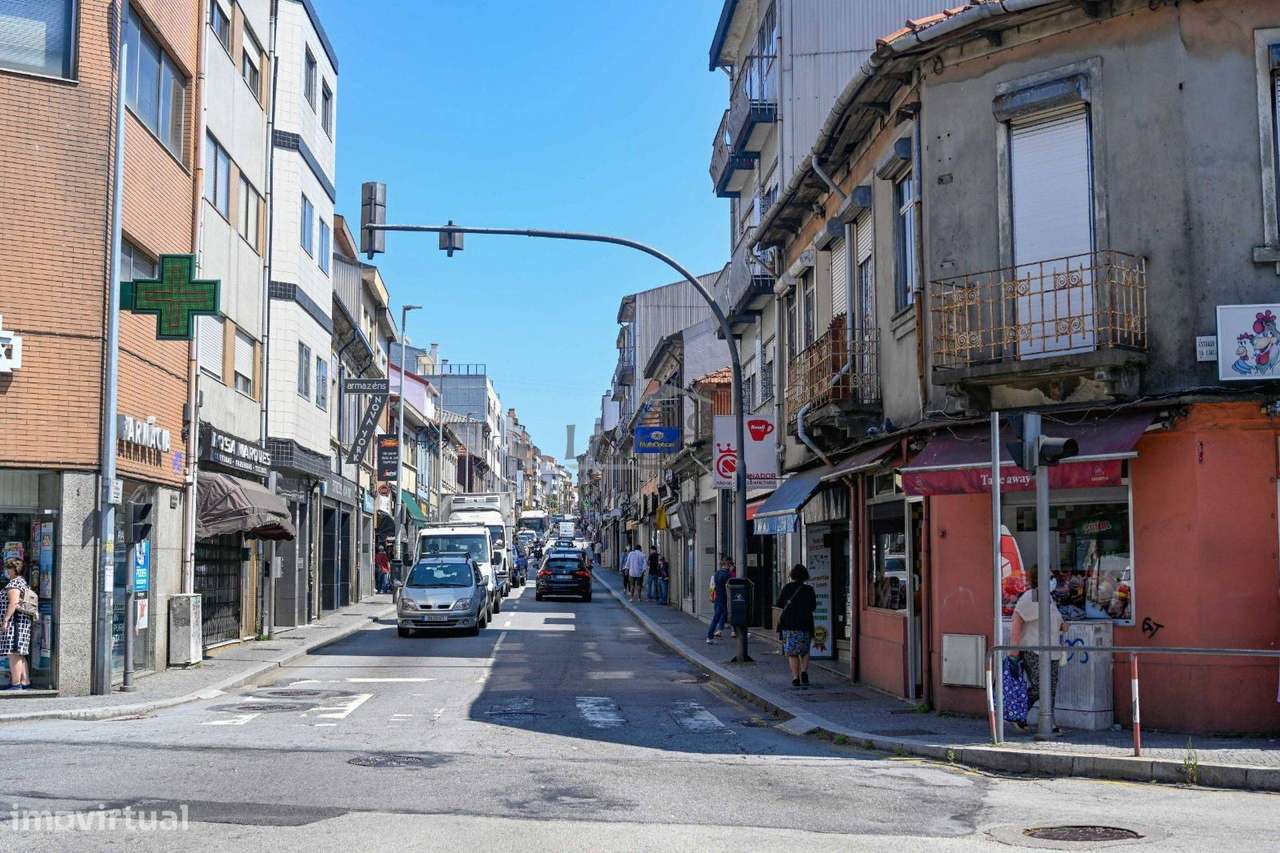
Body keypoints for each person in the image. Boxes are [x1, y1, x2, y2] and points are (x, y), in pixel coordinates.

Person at [1009, 564, 1067, 734]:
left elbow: (1055, 620)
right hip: (1034, 650)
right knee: (1040, 686)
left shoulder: (1048, 597)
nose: (1052, 580)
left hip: (1052, 650)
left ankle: (1046, 721)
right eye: (1049, 577)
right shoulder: (1032, 596)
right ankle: (1022, 714)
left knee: (1050, 688)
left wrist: (1063, 625)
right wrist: (1014, 651)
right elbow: (1018, 620)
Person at [776, 564, 818, 687]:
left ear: (792, 575)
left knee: (792, 652)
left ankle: (795, 677)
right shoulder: (809, 589)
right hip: (805, 623)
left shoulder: (787, 588)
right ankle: (804, 672)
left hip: (789, 624)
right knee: (804, 650)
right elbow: (813, 607)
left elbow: (779, 604)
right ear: (805, 575)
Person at [1, 557, 33, 691]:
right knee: (19, 653)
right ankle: (25, 681)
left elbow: (13, 603)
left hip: (15, 624)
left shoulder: (14, 584)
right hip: (21, 623)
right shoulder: (22, 582)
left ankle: (15, 684)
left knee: (13, 653)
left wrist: (5, 620)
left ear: (14, 570)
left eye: (8, 568)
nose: (7, 571)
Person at [705, 558, 733, 644]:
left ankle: (714, 634)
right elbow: (729, 588)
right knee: (726, 616)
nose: (731, 567)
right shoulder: (727, 575)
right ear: (728, 565)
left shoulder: (717, 573)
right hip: (723, 599)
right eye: (731, 565)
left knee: (718, 617)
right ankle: (711, 636)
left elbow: (714, 586)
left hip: (718, 598)